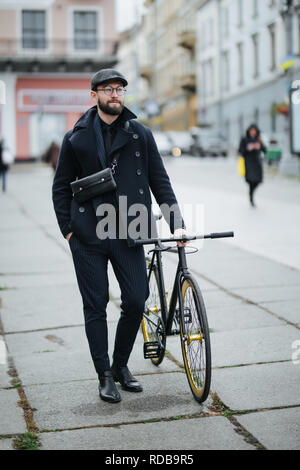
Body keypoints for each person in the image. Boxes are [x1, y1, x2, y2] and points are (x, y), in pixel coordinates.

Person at [52, 69, 188, 404]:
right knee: (95, 305)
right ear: (94, 95)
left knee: (136, 300)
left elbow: (160, 181)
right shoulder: (76, 137)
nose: (115, 94)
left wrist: (177, 224)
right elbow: (60, 187)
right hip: (88, 236)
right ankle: (104, 375)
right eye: (108, 89)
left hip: (131, 229)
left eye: (120, 89)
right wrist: (68, 230)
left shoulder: (140, 134)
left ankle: (121, 365)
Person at [239, 124, 267, 207]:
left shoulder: (258, 139)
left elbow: (265, 150)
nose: (253, 132)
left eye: (254, 130)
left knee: (258, 181)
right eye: (252, 130)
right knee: (251, 181)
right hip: (248, 163)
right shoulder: (244, 139)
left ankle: (251, 194)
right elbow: (241, 151)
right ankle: (251, 198)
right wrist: (248, 148)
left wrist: (259, 146)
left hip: (257, 163)